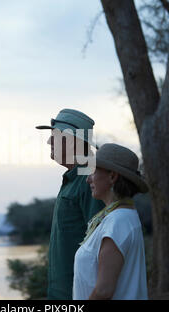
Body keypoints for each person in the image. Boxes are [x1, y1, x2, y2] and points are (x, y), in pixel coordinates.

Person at [36, 108, 105, 300]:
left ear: (72, 141)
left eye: (54, 136)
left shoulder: (89, 179)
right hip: (64, 293)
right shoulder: (74, 177)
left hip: (78, 293)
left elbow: (99, 243)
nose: (49, 141)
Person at [73, 143, 148, 300]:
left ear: (112, 177)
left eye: (93, 171)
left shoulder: (117, 221)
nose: (88, 179)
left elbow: (103, 291)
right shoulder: (118, 217)